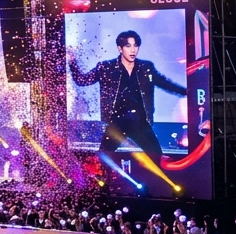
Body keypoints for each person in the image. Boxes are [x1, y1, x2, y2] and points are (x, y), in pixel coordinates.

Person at [70, 30, 187, 183]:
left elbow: (164, 83)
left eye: (136, 46)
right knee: (104, 158)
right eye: (128, 46)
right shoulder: (105, 68)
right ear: (120, 48)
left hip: (139, 121)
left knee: (156, 156)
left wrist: (186, 92)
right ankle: (102, 189)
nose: (133, 50)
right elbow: (81, 80)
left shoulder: (146, 67)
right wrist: (71, 61)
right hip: (117, 122)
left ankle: (163, 187)